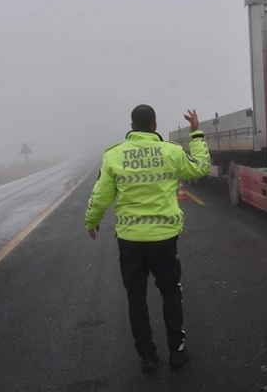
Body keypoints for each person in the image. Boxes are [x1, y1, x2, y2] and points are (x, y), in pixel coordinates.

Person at [84, 104, 210, 373]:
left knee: (136, 298)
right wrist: (196, 134)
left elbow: (101, 195)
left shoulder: (114, 155)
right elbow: (200, 169)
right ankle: (177, 352)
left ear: (131, 127)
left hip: (130, 242)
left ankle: (148, 357)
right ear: (155, 125)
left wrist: (92, 221)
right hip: (164, 240)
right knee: (170, 293)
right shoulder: (171, 152)